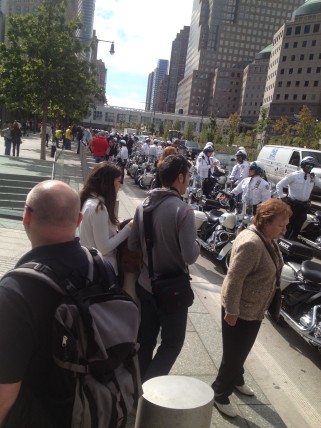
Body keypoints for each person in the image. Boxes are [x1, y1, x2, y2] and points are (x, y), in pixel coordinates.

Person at [0, 180, 88, 426]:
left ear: (26, 216)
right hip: (92, 409)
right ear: (79, 219)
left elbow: (3, 397)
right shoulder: (99, 267)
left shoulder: (14, 293)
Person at [212, 198, 291, 418]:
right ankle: (219, 393)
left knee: (239, 352)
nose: (284, 230)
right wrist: (232, 311)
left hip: (253, 309)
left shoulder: (267, 238)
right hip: (240, 311)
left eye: (285, 225)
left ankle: (237, 378)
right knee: (234, 355)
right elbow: (234, 279)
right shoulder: (252, 243)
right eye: (280, 225)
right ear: (265, 221)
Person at [128, 154, 200, 382]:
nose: (189, 179)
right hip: (172, 292)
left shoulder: (143, 206)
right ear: (180, 177)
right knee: (171, 344)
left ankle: (136, 388)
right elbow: (190, 256)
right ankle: (147, 393)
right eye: (188, 175)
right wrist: (196, 242)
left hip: (145, 285)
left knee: (146, 339)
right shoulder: (184, 211)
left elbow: (133, 245)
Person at [79, 161, 132, 276]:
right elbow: (104, 248)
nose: (120, 185)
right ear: (108, 183)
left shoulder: (90, 202)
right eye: (119, 181)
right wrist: (128, 228)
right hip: (104, 273)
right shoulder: (99, 209)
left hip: (93, 268)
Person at [276, 156, 321, 240]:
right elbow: (279, 185)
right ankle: (280, 242)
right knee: (286, 225)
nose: (310, 168)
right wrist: (282, 197)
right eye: (308, 166)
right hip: (292, 205)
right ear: (303, 165)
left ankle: (292, 242)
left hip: (303, 207)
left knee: (297, 226)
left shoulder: (312, 177)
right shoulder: (294, 175)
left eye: (312, 166)